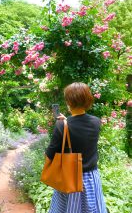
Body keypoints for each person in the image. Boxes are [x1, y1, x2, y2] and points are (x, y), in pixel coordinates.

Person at [46, 82, 107, 213]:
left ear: (69, 101)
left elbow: (50, 153)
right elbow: (81, 132)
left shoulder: (62, 125)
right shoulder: (96, 122)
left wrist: (63, 123)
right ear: (87, 99)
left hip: (70, 179)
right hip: (91, 179)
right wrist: (66, 121)